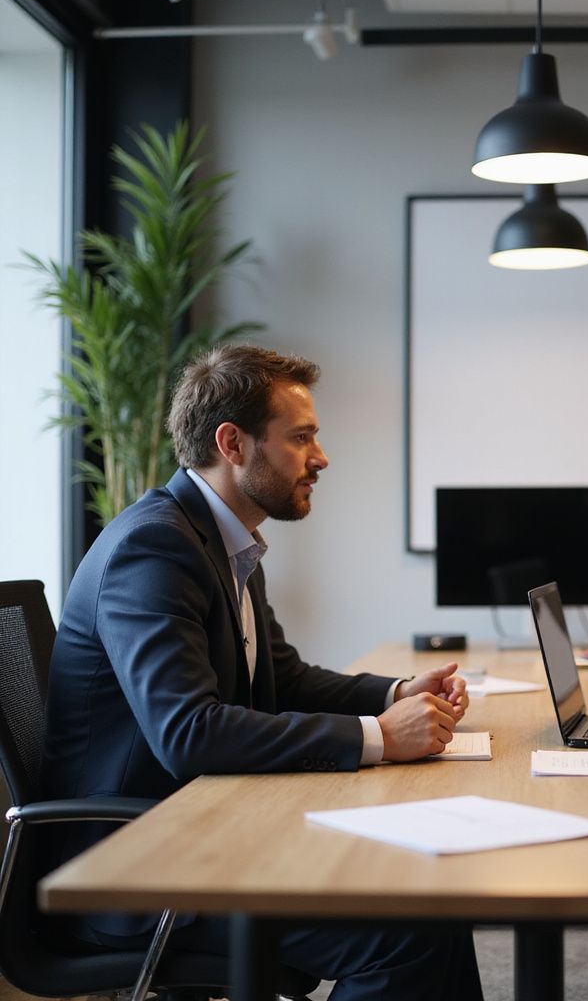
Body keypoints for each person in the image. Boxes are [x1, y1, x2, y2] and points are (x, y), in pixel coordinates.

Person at [41, 344, 484, 1000]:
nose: (321, 457)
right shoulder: (153, 547)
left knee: (433, 906)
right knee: (407, 932)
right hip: (134, 871)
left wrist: (395, 692)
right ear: (233, 444)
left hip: (209, 831)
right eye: (301, 437)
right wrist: (379, 736)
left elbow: (284, 677)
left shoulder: (222, 540)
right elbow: (188, 732)